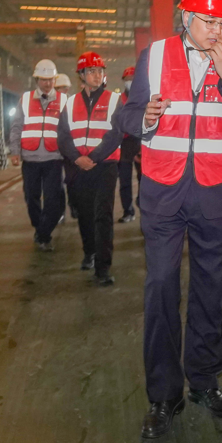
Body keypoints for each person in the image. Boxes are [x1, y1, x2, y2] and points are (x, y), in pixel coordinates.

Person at [119, 0, 222, 440]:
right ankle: (164, 394)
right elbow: (126, 115)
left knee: (210, 290)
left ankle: (204, 381)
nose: (218, 31)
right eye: (208, 21)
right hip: (163, 192)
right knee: (160, 286)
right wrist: (144, 117)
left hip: (216, 194)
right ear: (185, 16)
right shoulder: (155, 56)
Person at [56, 52, 124, 285]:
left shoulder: (114, 100)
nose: (97, 75)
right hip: (79, 167)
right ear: (82, 75)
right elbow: (63, 136)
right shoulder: (70, 103)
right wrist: (77, 158)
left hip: (105, 166)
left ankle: (103, 268)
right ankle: (89, 252)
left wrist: (92, 157)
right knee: (84, 213)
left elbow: (115, 134)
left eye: (100, 71)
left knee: (103, 215)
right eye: (92, 71)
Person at [7, 59, 66, 250]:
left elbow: (68, 130)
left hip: (54, 158)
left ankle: (44, 234)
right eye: (43, 79)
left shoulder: (64, 101)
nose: (47, 83)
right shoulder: (25, 99)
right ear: (36, 80)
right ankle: (40, 228)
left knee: (52, 199)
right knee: (31, 197)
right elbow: (16, 126)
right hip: (30, 158)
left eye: (50, 79)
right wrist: (15, 151)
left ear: (55, 80)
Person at [117, 65, 140, 223]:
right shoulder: (118, 100)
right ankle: (128, 211)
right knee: (124, 180)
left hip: (140, 142)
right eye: (127, 79)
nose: (130, 81)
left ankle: (142, 204)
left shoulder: (144, 98)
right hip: (124, 143)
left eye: (132, 79)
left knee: (144, 179)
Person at [54, 72, 79, 224]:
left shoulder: (73, 103)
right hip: (54, 149)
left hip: (69, 148)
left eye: (62, 88)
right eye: (57, 88)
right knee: (56, 183)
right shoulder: (49, 104)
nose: (60, 91)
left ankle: (74, 205)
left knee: (72, 180)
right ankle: (60, 211)